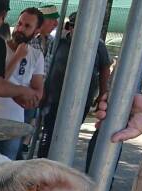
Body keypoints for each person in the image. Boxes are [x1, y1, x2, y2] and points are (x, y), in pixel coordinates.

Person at [38, 11, 111, 158]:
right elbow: (46, 65)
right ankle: (43, 161)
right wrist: (42, 90)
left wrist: (103, 93)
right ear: (68, 26)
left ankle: (60, 162)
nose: (77, 29)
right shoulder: (59, 42)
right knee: (48, 131)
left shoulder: (98, 46)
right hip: (55, 96)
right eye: (73, 25)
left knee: (69, 133)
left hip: (81, 99)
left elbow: (105, 69)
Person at [0, 7, 45, 160]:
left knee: (8, 168)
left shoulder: (37, 55)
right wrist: (17, 57)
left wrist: (25, 98)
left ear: (37, 31)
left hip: (15, 122)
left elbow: (38, 92)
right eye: (20, 23)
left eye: (27, 26)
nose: (20, 29)